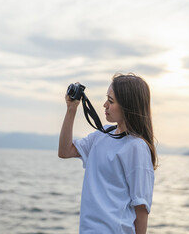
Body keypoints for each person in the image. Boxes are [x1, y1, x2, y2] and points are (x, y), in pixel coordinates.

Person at [58, 73, 158, 234]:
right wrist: (71, 109)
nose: (105, 105)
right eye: (107, 99)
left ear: (127, 106)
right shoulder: (102, 134)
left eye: (111, 101)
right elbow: (64, 151)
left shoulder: (136, 147)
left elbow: (141, 208)